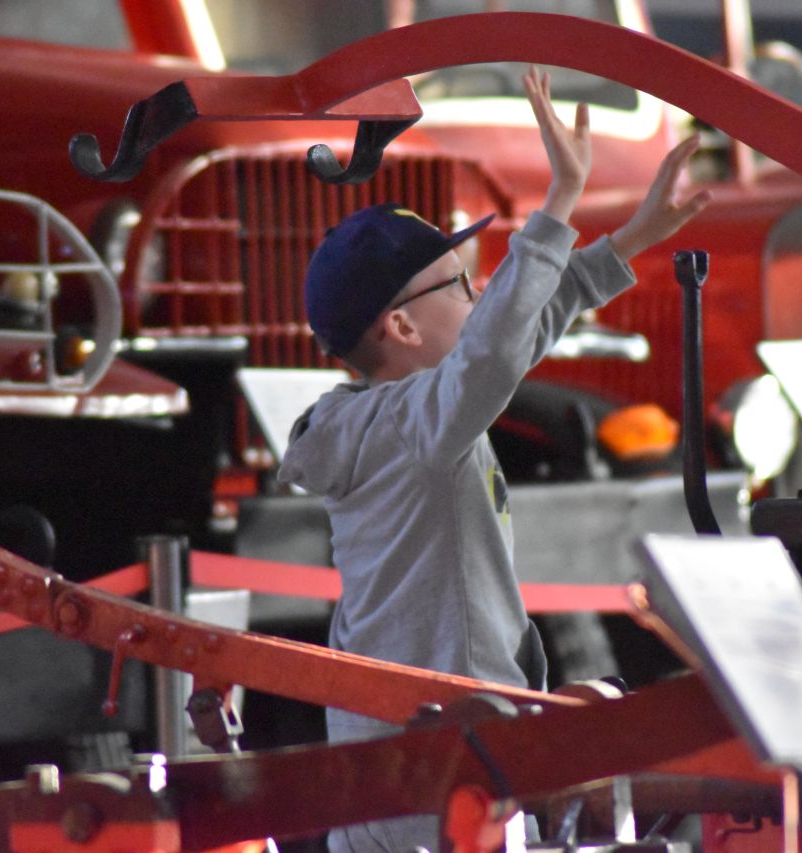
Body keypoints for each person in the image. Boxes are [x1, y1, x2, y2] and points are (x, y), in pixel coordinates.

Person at [277, 66, 711, 853]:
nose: (477, 297)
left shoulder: (404, 416)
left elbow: (514, 336)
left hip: (421, 757)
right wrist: (558, 204)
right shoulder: (415, 425)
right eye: (459, 285)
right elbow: (495, 350)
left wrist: (631, 241)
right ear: (401, 328)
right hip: (434, 771)